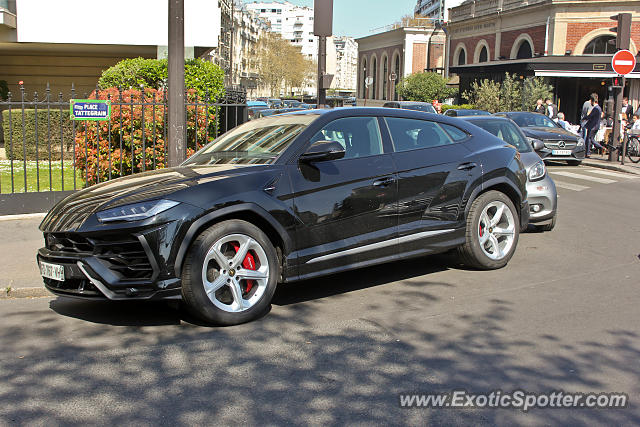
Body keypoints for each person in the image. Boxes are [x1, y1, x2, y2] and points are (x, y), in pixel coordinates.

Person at [584, 93, 603, 157]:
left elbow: (590, 116)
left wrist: (584, 118)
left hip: (592, 126)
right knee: (591, 139)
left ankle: (588, 153)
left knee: (588, 139)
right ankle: (601, 148)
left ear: (592, 100)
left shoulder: (596, 108)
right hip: (596, 126)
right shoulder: (599, 108)